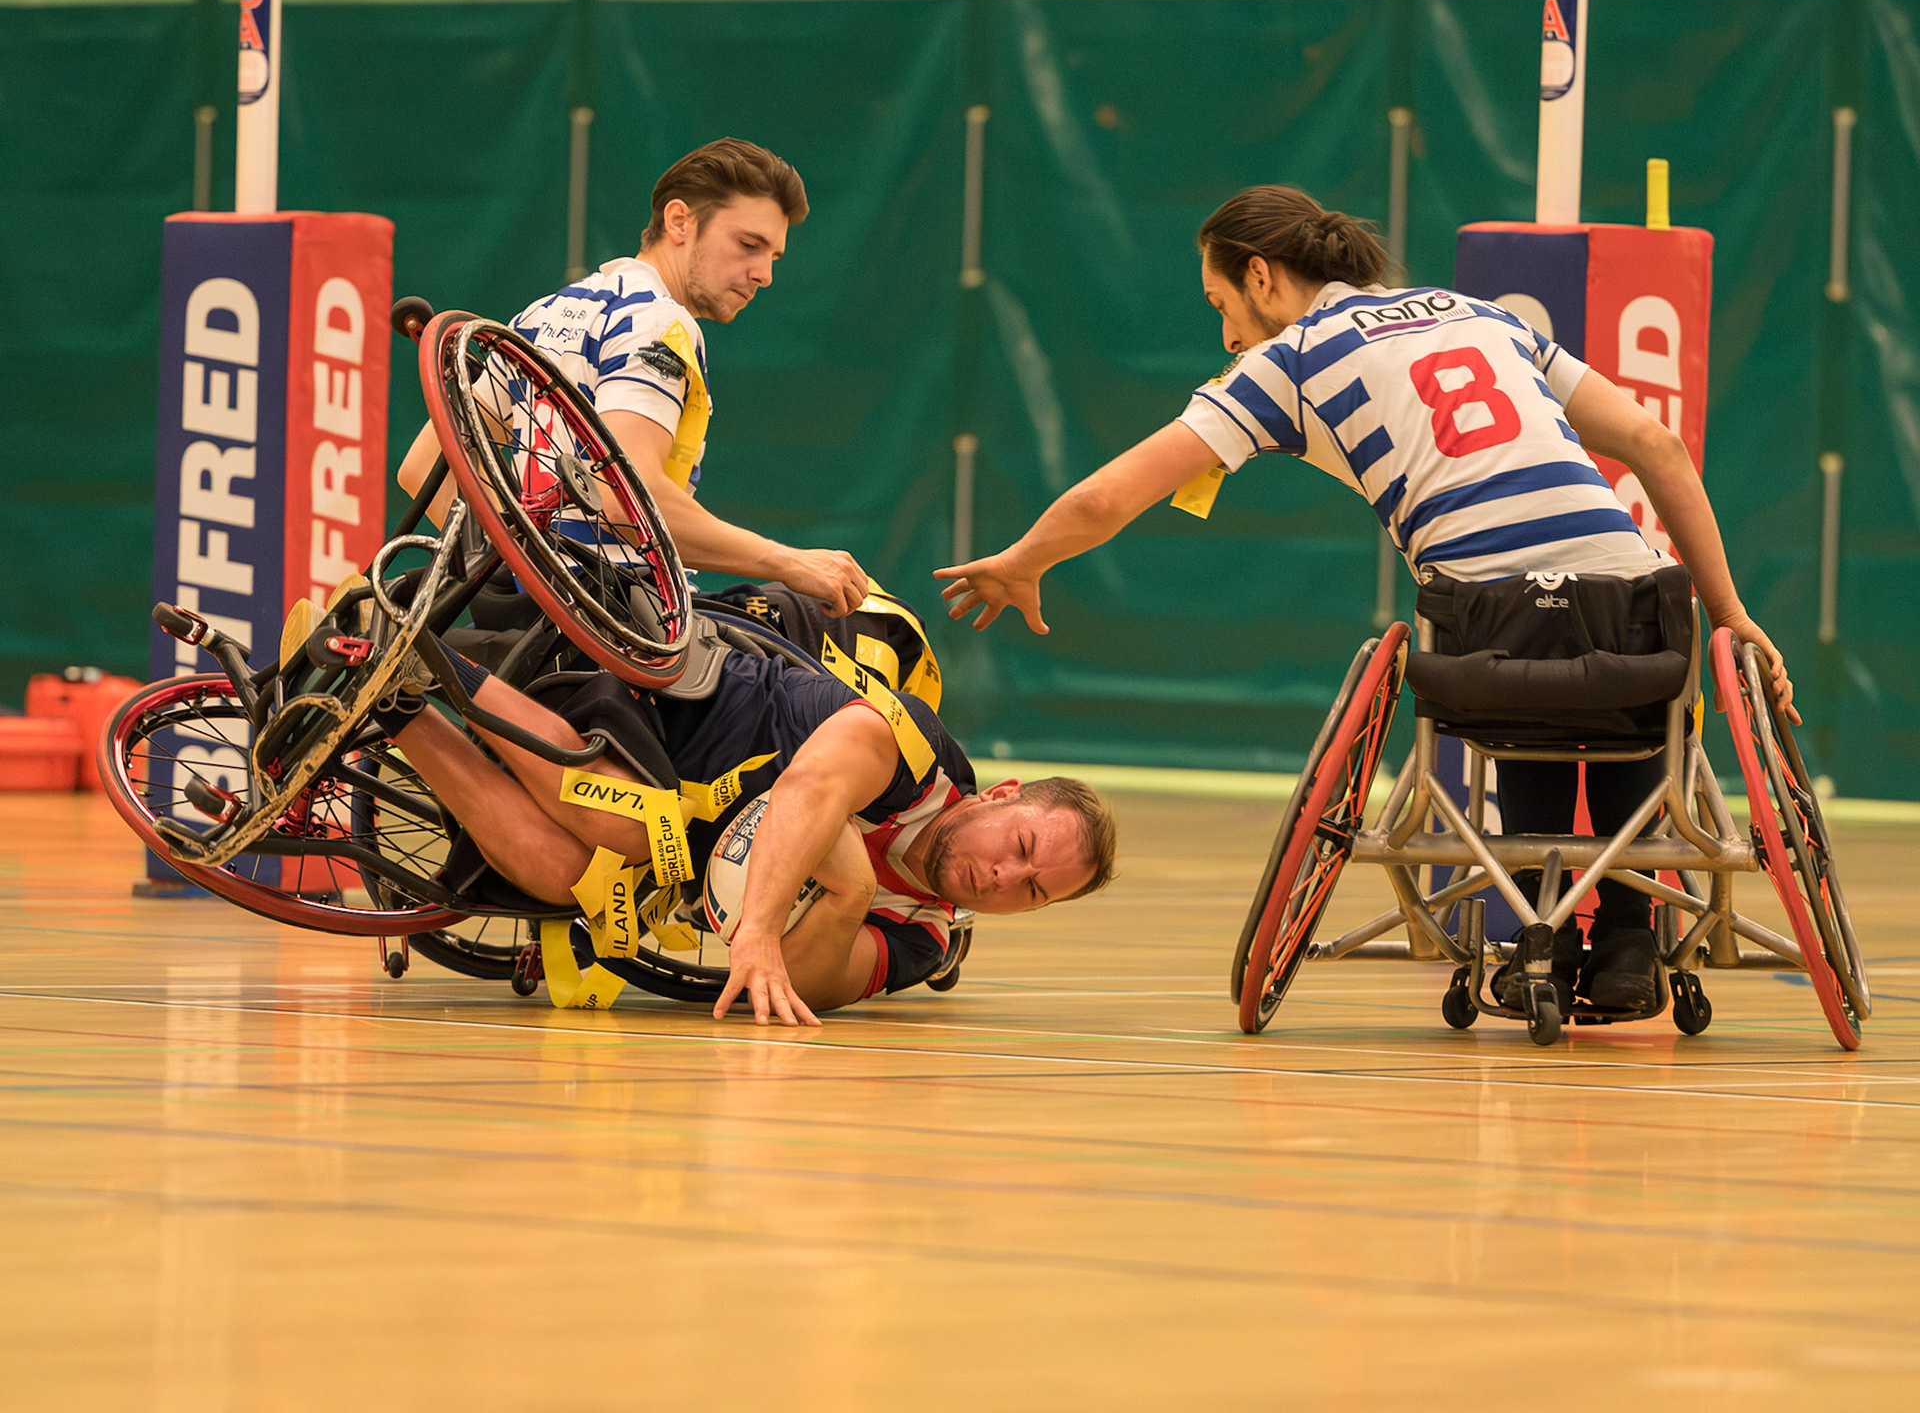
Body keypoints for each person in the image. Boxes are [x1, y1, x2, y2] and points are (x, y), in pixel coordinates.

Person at [934, 183, 1796, 1016]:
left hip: (1491, 623)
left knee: (1514, 672)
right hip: (1637, 598)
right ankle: (1630, 941)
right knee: (1623, 678)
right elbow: (1655, 446)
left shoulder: (1291, 361)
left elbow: (1107, 498)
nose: (1224, 328)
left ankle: (1546, 931)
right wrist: (1731, 616)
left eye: (1218, 300)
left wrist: (1022, 561)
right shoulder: (1478, 312)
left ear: (1262, 277)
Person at [370, 632, 1116, 1027]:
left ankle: (393, 706)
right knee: (633, 826)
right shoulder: (915, 748)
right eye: (1020, 849)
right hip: (673, 713)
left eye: (1033, 893)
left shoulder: (924, 937)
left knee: (571, 878)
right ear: (1003, 796)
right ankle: (424, 658)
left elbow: (802, 982)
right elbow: (810, 787)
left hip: (681, 849)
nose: (1002, 879)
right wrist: (757, 927)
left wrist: (851, 896)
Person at [397, 137, 871, 617]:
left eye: (774, 256)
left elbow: (423, 469)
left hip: (559, 629)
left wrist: (520, 578)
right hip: (634, 631)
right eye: (749, 245)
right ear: (679, 221)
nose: (763, 273)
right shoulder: (659, 321)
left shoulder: (543, 314)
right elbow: (626, 497)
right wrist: (789, 561)